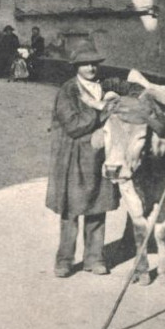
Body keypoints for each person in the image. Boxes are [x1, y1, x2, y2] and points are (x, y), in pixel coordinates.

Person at [46, 48, 120, 278]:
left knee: (98, 208)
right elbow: (73, 125)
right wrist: (100, 111)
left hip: (100, 155)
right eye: (85, 64)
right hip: (74, 157)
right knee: (71, 210)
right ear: (76, 67)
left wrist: (115, 98)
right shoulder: (68, 90)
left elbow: (134, 87)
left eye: (94, 63)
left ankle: (94, 258)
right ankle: (64, 260)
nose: (91, 68)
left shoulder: (104, 86)